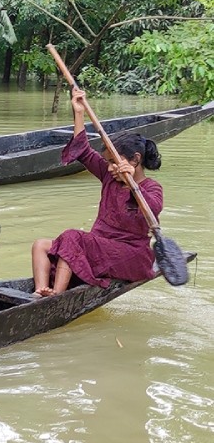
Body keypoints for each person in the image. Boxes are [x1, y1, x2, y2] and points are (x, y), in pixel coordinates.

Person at [31, 88, 164, 296]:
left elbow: (152, 209)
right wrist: (79, 112)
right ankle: (40, 291)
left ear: (135, 160)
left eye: (114, 162)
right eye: (108, 162)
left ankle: (56, 295)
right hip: (99, 248)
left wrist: (132, 186)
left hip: (131, 256)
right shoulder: (109, 176)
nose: (109, 167)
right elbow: (83, 150)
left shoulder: (152, 188)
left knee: (71, 237)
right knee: (41, 245)